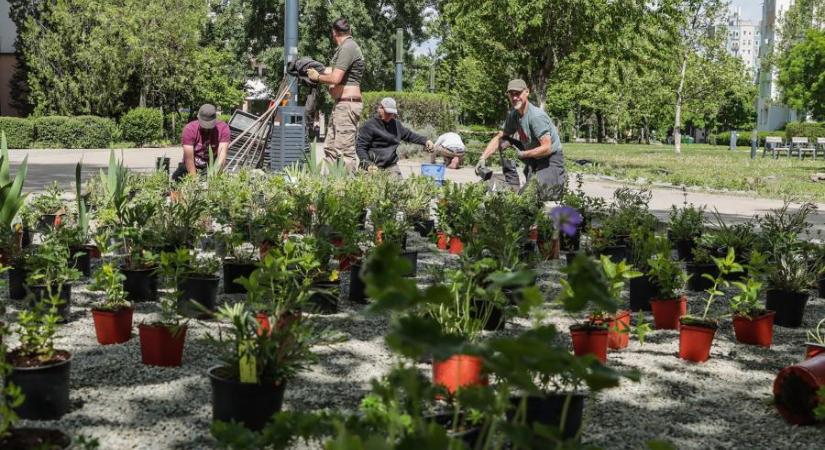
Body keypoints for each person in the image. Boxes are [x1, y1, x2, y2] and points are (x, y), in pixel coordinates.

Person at [476, 79, 565, 190]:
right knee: (503, 141)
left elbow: (547, 148)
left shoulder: (536, 117)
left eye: (518, 94)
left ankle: (547, 178)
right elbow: (499, 137)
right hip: (532, 154)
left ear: (527, 92)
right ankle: (512, 183)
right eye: (511, 94)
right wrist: (483, 157)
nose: (514, 98)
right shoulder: (514, 115)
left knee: (542, 192)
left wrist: (522, 154)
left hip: (551, 158)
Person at [307, 18, 365, 172]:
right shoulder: (347, 48)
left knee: (345, 152)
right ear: (349, 31)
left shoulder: (348, 48)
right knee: (331, 149)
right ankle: (330, 187)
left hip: (347, 105)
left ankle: (349, 192)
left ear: (334, 33)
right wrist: (308, 67)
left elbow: (335, 78)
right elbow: (333, 71)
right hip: (342, 105)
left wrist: (317, 77)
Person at [355, 97, 433, 177]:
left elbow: (409, 135)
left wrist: (425, 141)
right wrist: (368, 165)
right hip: (371, 165)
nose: (389, 115)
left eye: (391, 113)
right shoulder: (369, 126)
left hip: (390, 166)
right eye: (387, 112)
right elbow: (360, 147)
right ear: (380, 108)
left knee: (399, 188)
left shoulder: (396, 125)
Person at [172, 104, 230, 182]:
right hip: (190, 166)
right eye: (204, 125)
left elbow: (222, 157)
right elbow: (188, 158)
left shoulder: (223, 128)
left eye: (209, 125)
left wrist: (214, 179)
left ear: (215, 119)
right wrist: (194, 181)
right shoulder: (190, 129)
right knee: (175, 181)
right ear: (198, 117)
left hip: (210, 168)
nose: (206, 128)